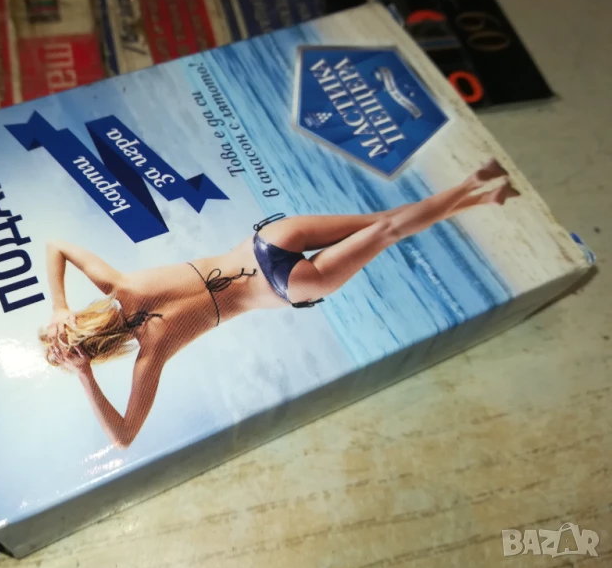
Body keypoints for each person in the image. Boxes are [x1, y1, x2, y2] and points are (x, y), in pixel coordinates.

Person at [40, 160, 518, 448]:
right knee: (385, 219)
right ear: (80, 320)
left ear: (100, 352)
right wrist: (59, 305)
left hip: (285, 285)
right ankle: (481, 193)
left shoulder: (152, 352)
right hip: (268, 241)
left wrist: (84, 376)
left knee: (388, 232)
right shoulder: (118, 284)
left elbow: (123, 437)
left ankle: (476, 187)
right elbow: (56, 244)